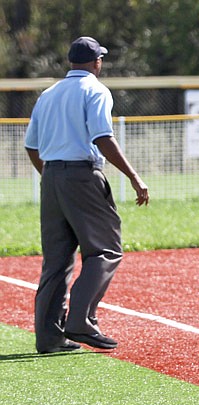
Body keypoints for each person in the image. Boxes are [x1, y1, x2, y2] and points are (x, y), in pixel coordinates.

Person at [24, 36, 149, 354]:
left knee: (56, 260)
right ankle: (81, 321)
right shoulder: (95, 90)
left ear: (70, 62)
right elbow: (101, 136)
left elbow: (31, 145)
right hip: (81, 174)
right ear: (97, 62)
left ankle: (49, 336)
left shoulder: (48, 94)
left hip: (51, 176)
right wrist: (134, 177)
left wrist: (53, 178)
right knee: (106, 250)